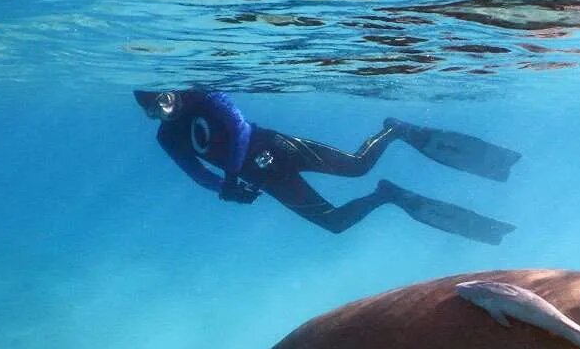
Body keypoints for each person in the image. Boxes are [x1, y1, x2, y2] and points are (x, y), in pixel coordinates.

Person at [133, 89, 519, 245]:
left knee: (356, 167)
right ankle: (388, 195)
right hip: (261, 175)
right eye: (152, 110)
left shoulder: (202, 96)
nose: (160, 113)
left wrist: (232, 175)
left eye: (162, 102)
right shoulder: (166, 137)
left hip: (276, 148)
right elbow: (193, 170)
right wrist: (224, 189)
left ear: (172, 92)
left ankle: (395, 131)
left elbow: (236, 126)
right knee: (335, 224)